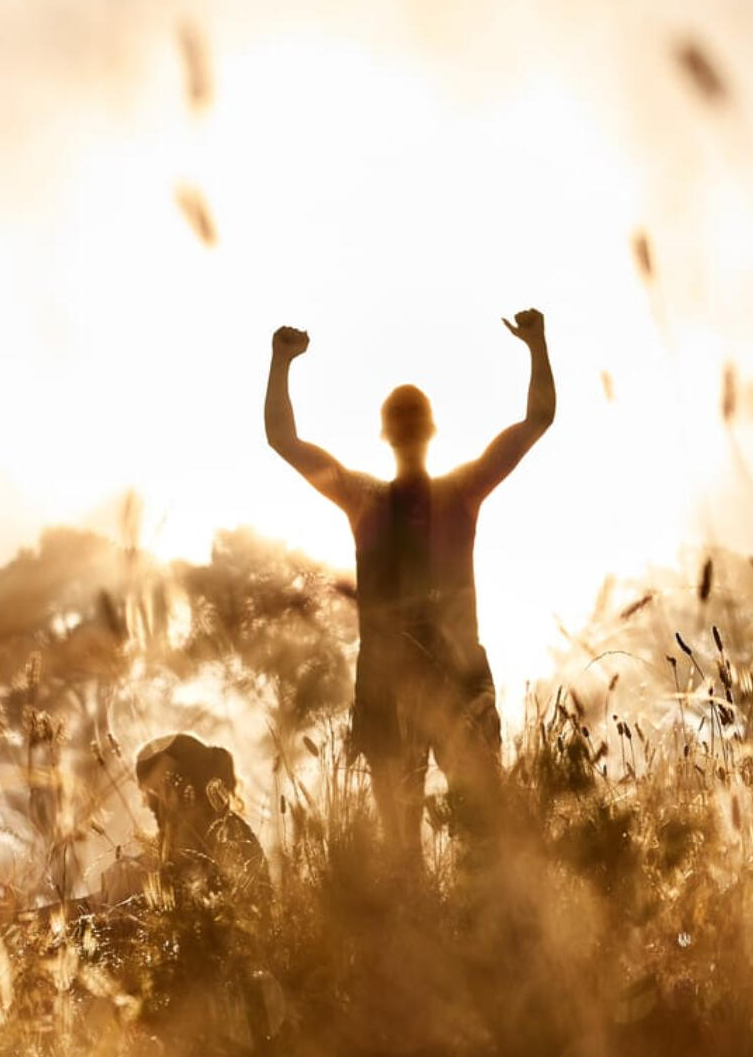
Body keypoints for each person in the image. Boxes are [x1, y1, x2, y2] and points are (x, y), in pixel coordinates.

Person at [264, 309, 555, 874]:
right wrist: (536, 346)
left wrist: (281, 364)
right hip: (448, 675)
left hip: (395, 679)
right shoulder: (459, 492)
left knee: (410, 843)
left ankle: (431, 940)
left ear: (385, 434)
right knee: (480, 834)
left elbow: (282, 439)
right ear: (431, 431)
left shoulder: (364, 499)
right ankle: (481, 943)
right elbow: (537, 419)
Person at [133, 732, 269, 910]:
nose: (146, 804)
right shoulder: (167, 847)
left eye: (154, 793)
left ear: (186, 785)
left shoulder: (232, 839)